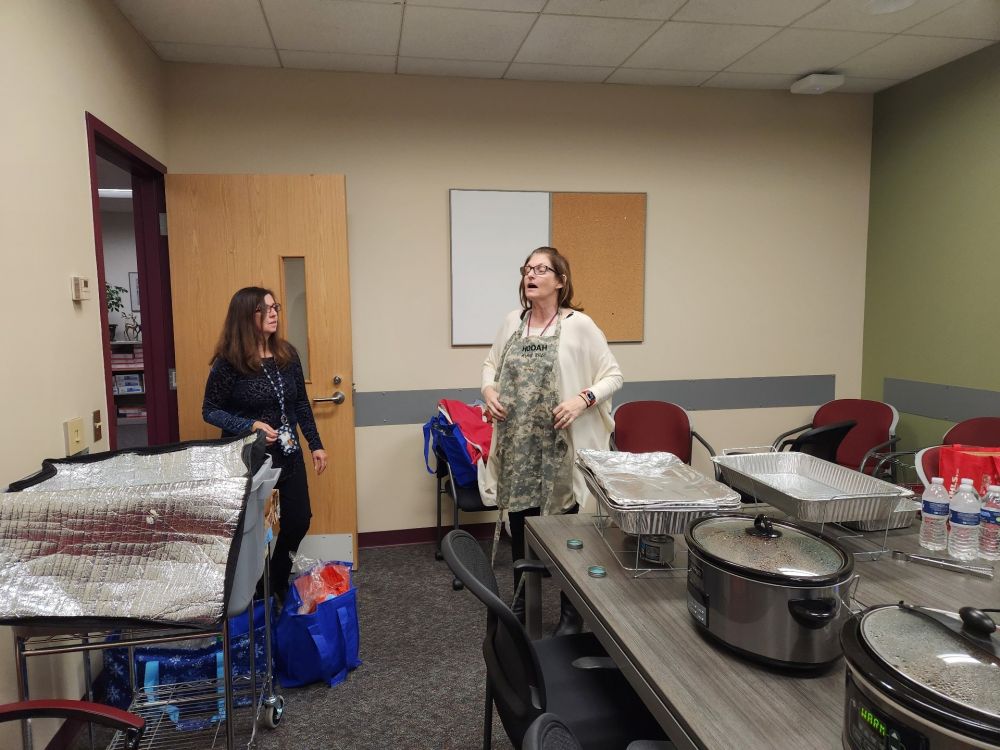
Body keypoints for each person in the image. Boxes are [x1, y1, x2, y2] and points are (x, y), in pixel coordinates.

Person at [481, 247, 623, 635]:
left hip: (561, 451)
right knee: (522, 526)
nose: (531, 274)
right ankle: (524, 603)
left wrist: (582, 399)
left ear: (561, 281)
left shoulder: (580, 325)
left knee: (568, 535)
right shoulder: (513, 322)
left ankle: (571, 613)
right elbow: (491, 365)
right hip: (519, 449)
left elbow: (613, 376)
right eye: (527, 269)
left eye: (541, 269)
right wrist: (489, 391)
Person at [202, 286, 327, 600]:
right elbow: (210, 410)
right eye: (266, 309)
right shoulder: (229, 362)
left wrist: (315, 444)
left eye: (275, 308)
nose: (274, 314)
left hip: (288, 453)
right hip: (250, 458)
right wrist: (250, 425)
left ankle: (273, 583)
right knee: (251, 531)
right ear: (247, 316)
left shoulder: (287, 355)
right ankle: (248, 592)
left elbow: (300, 404)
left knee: (298, 521)